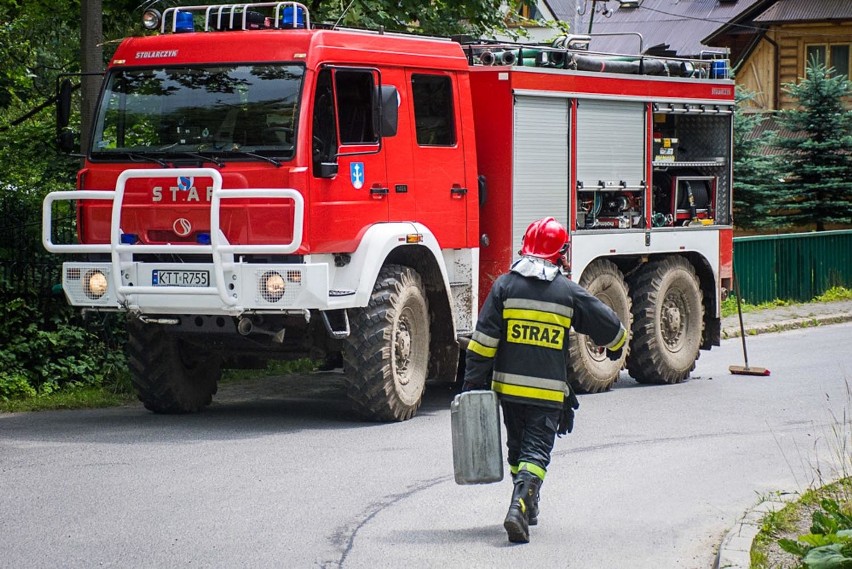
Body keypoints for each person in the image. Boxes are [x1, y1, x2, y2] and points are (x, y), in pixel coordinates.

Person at [462, 216, 627, 544]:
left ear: (526, 248)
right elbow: (608, 324)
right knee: (536, 452)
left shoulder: (504, 287)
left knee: (517, 449)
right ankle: (520, 505)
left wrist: (473, 386)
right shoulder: (566, 292)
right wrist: (616, 346)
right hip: (547, 394)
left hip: (508, 392)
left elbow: (482, 343)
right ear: (559, 253)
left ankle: (526, 503)